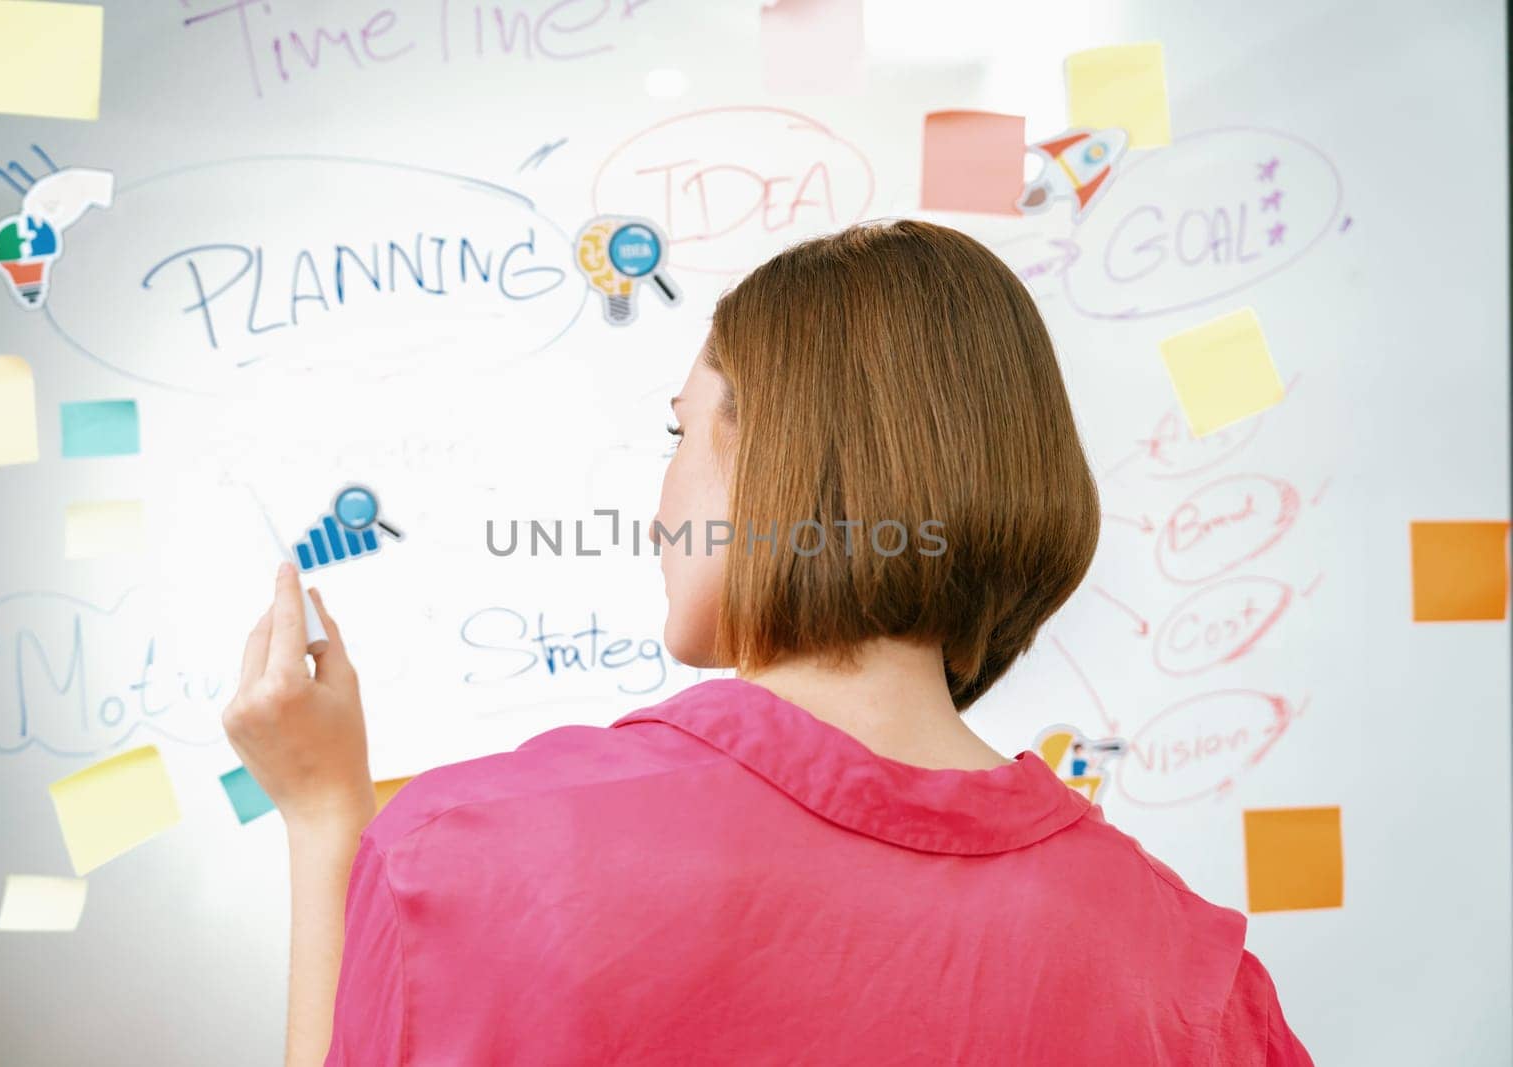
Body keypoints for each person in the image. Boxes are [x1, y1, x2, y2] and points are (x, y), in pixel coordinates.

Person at [223, 219, 1314, 1065]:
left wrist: (329, 821)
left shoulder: (463, 852)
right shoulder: (1186, 971)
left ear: (780, 455)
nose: (658, 507)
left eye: (679, 431)